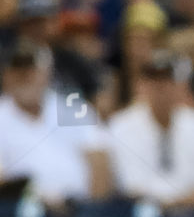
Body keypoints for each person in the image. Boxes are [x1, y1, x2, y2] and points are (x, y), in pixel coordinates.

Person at [105, 48, 194, 207]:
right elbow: (130, 186)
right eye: (154, 79)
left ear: (182, 85)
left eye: (168, 80)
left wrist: (181, 203)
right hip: (142, 210)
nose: (161, 87)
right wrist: (166, 205)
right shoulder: (120, 126)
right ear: (141, 85)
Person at [0, 42, 111, 205]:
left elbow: (99, 159)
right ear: (6, 75)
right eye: (18, 71)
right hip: (24, 211)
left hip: (81, 208)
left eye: (31, 70)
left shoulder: (73, 108)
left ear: (46, 73)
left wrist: (94, 211)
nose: (25, 77)